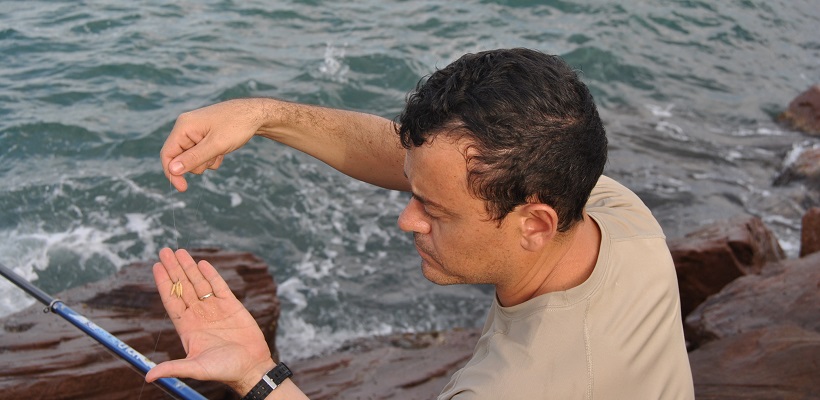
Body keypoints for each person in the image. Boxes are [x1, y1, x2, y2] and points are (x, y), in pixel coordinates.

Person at [146, 48, 695, 399]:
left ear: (535, 223)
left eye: (432, 210)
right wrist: (262, 116)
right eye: (415, 193)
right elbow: (422, 158)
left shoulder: (508, 388)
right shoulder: (618, 213)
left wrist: (255, 375)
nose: (407, 219)